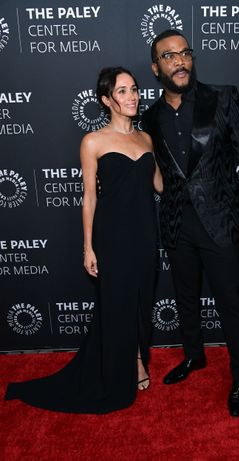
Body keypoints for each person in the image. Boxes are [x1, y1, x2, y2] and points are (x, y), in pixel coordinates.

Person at [5, 66, 163, 413]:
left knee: (141, 301)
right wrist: (88, 247)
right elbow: (89, 196)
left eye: (134, 89)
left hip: (145, 233)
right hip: (112, 236)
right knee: (116, 303)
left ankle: (137, 356)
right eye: (122, 91)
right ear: (107, 99)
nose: (132, 96)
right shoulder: (93, 141)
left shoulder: (146, 138)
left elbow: (159, 186)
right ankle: (125, 366)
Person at [142, 30, 239, 417]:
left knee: (230, 303)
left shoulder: (223, 98)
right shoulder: (150, 117)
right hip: (178, 224)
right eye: (169, 56)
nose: (179, 61)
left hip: (221, 222)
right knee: (185, 298)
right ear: (155, 67)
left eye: (184, 53)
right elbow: (156, 172)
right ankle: (194, 357)